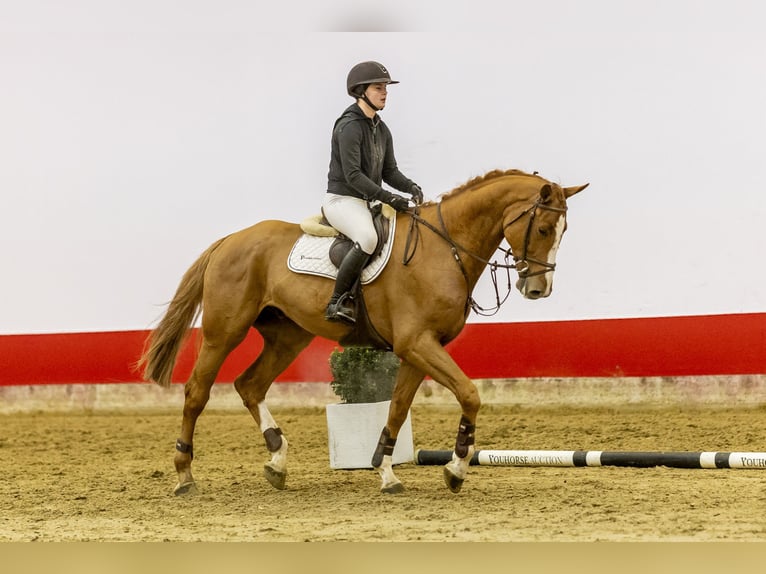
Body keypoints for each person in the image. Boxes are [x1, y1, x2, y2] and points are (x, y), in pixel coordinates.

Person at [323, 61, 423, 324]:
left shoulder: (382, 129)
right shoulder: (348, 127)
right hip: (342, 200)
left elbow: (390, 171)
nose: (384, 93)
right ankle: (337, 301)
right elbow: (353, 176)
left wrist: (410, 187)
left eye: (386, 89)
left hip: (366, 202)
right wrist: (390, 198)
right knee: (368, 238)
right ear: (361, 91)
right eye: (378, 88)